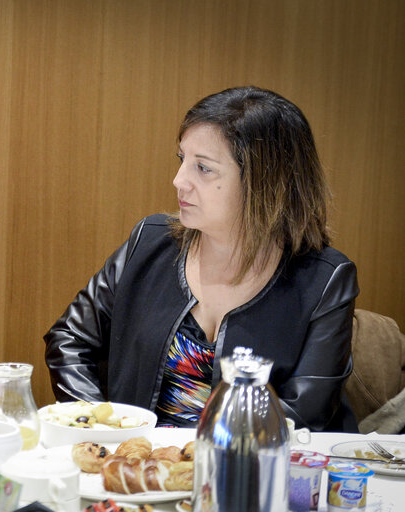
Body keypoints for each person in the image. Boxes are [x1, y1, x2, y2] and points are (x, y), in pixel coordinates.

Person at [44, 86, 359, 432]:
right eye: (182, 160)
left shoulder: (327, 280)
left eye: (203, 169)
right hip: (143, 468)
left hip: (250, 473)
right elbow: (70, 338)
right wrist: (99, 426)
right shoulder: (149, 242)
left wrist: (204, 457)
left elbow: (303, 415)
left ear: (266, 184)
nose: (179, 181)